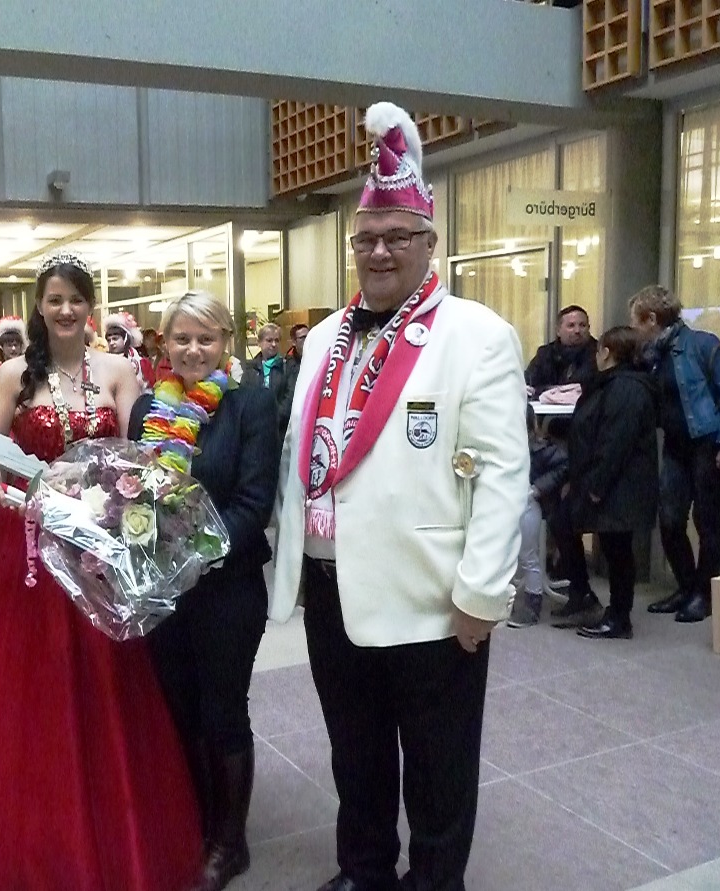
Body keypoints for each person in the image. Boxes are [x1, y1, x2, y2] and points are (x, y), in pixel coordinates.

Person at [274, 102, 528, 891]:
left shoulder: (475, 333)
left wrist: (483, 591)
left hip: (428, 593)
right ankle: (365, 870)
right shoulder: (324, 337)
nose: (379, 251)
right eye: (367, 239)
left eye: (397, 237)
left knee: (439, 762)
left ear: (428, 244)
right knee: (355, 752)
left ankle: (434, 880)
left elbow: (500, 472)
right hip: (330, 585)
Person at [0, 251, 202, 891]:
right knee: (20, 693)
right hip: (26, 552)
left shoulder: (121, 371)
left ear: (90, 306)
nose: (66, 310)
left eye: (76, 299)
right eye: (55, 299)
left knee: (102, 691)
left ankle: (106, 827)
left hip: (93, 548)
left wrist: (119, 495)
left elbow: (140, 453)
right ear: (39, 305)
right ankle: (23, 835)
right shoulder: (11, 374)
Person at [127, 291, 279, 891]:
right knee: (179, 710)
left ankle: (230, 841)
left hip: (227, 588)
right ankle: (197, 818)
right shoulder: (146, 410)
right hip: (167, 592)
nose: (194, 349)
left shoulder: (250, 406)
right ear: (163, 344)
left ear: (226, 343)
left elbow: (253, 502)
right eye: (182, 338)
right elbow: (136, 495)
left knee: (222, 711)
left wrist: (197, 554)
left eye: (206, 338)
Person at [632, 285, 720, 623]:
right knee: (671, 520)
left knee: (707, 522)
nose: (634, 329)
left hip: (707, 443)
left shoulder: (703, 345)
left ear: (652, 319)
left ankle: (704, 595)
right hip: (676, 444)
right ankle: (687, 587)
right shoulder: (652, 355)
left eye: (637, 322)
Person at [554, 326, 659, 640]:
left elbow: (615, 443)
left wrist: (596, 486)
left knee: (617, 550)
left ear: (609, 353)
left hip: (616, 486)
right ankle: (585, 596)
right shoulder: (610, 383)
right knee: (567, 524)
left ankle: (618, 617)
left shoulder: (626, 389)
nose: (595, 354)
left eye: (599, 350)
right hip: (600, 481)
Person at [507, 405, 569, 629]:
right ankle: (513, 600)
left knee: (528, 556)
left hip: (526, 503)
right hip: (509, 504)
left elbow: (565, 462)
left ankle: (533, 604)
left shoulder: (538, 448)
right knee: (511, 555)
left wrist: (537, 488)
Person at [525, 304, 598, 397]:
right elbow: (529, 383)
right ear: (558, 330)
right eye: (571, 326)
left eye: (582, 325)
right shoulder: (545, 354)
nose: (577, 330)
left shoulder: (598, 353)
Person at [243, 323, 290, 436]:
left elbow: (289, 397)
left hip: (280, 430)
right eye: (269, 340)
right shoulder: (251, 368)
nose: (273, 344)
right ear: (259, 342)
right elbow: (244, 396)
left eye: (277, 340)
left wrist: (273, 418)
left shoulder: (287, 367)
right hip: (254, 429)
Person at [104, 310, 156, 391]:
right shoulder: (104, 362)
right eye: (109, 340)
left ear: (125, 338)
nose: (111, 343)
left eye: (115, 339)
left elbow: (152, 388)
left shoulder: (142, 363)